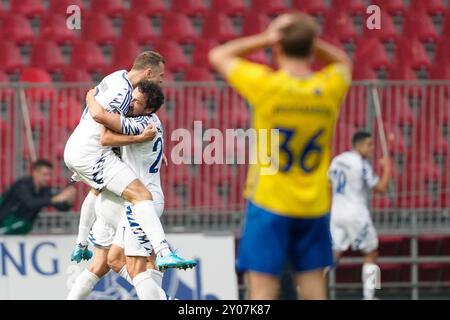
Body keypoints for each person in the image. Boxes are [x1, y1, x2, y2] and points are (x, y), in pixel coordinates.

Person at [209, 12, 352, 299]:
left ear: (277, 48)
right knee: (314, 289)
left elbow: (219, 54)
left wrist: (268, 36)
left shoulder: (268, 86)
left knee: (262, 292)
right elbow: (344, 63)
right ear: (312, 48)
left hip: (270, 201)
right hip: (314, 204)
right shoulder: (329, 87)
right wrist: (311, 40)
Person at [64, 51, 196, 271]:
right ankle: (163, 252)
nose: (161, 80)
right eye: (160, 75)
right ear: (148, 72)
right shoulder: (125, 94)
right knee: (142, 195)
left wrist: (89, 96)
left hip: (78, 146)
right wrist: (140, 138)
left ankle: (81, 243)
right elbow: (105, 132)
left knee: (99, 195)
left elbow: (97, 104)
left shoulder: (116, 76)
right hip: (93, 153)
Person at [68, 81, 172, 300]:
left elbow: (104, 133)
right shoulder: (147, 122)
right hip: (126, 201)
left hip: (133, 201)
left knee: (116, 262)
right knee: (117, 261)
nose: (130, 104)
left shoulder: (140, 124)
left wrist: (90, 98)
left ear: (149, 108)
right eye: (131, 98)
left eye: (136, 102)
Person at [328, 131, 391, 300]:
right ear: (359, 145)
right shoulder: (361, 164)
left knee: (332, 257)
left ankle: (304, 291)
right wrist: (387, 169)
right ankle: (369, 297)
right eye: (369, 145)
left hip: (337, 214)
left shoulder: (337, 160)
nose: (371, 149)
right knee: (371, 253)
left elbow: (328, 183)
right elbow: (381, 188)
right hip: (356, 214)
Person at [0, 160, 76, 234]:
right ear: (35, 173)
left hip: (23, 227)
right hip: (6, 223)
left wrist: (68, 199)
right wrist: (57, 198)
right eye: (45, 174)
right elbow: (31, 203)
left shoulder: (45, 190)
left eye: (50, 175)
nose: (48, 178)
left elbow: (61, 207)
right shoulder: (22, 185)